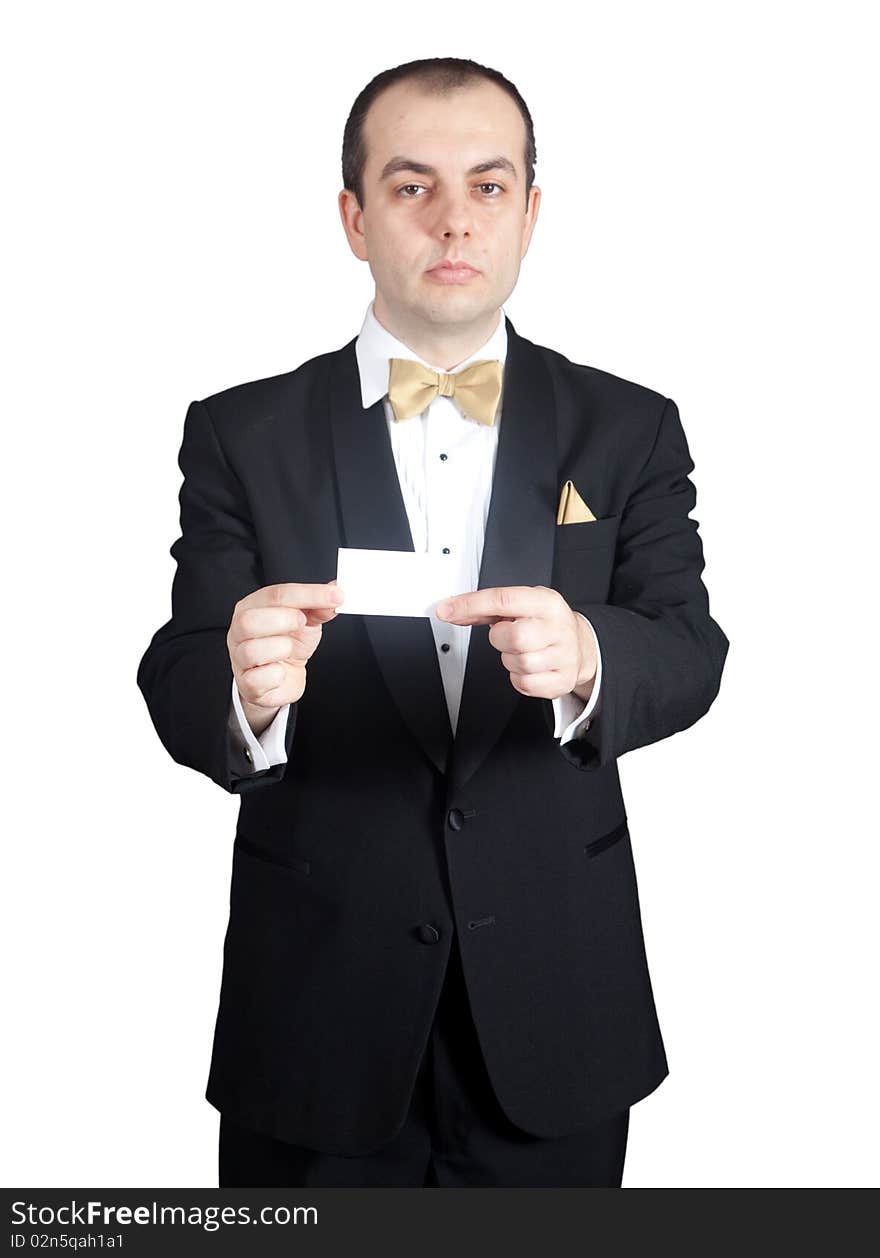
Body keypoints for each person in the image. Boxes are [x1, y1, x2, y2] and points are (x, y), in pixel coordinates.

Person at [137, 56, 729, 1188]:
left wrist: (592, 655)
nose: (454, 219)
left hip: (558, 1003)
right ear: (355, 219)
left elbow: (689, 646)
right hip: (315, 1014)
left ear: (530, 214)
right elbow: (177, 673)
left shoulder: (631, 425)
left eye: (488, 186)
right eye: (411, 188)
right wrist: (241, 685)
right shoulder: (238, 432)